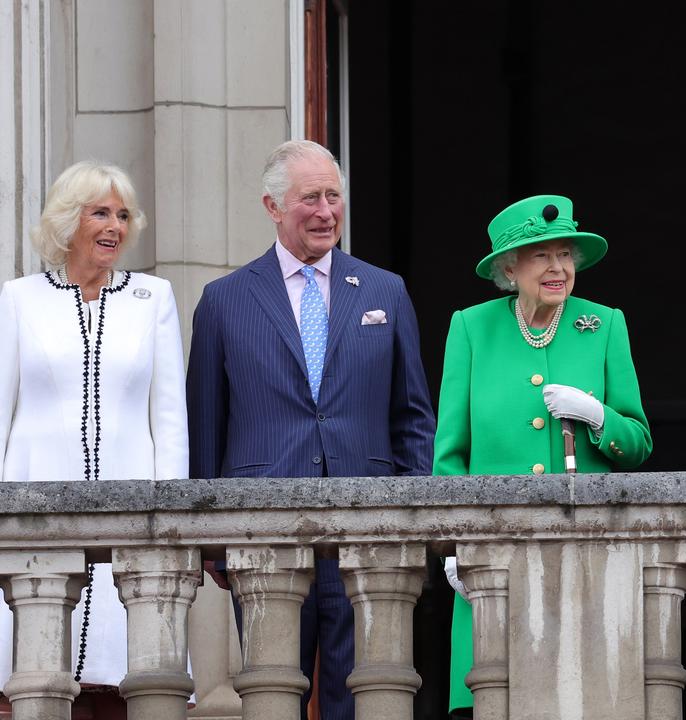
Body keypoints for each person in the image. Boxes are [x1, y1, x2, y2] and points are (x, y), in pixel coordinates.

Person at [186, 139, 436, 720]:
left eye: (333, 196)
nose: (326, 211)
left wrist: (413, 521)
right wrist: (213, 540)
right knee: (273, 697)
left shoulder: (384, 291)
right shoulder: (223, 301)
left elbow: (413, 418)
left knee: (364, 695)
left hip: (367, 533)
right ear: (273, 207)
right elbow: (207, 428)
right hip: (263, 536)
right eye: (310, 199)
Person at [436, 194, 652, 715]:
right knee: (494, 694)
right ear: (509, 268)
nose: (558, 268)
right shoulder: (470, 328)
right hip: (494, 555)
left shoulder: (604, 325)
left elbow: (638, 443)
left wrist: (598, 416)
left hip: (585, 554)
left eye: (566, 255)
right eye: (542, 256)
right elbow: (450, 455)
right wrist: (450, 542)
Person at [0, 161, 187, 719]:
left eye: (123, 215)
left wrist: (172, 527)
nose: (115, 227)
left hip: (129, 521)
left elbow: (170, 419)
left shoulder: (153, 299)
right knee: (30, 681)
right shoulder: (18, 300)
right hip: (31, 515)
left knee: (121, 680)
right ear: (67, 221)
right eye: (100, 213)